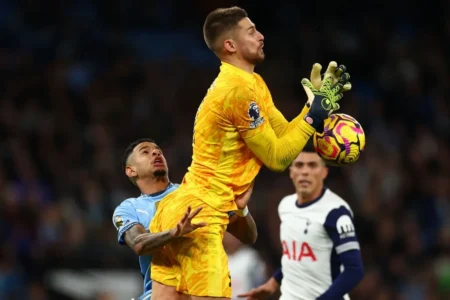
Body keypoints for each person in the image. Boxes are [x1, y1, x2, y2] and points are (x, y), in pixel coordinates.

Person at [150, 6, 352, 300]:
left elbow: (284, 137)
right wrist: (313, 118)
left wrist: (313, 109)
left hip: (182, 208)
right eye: (251, 31)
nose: (260, 36)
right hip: (200, 216)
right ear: (230, 45)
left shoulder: (252, 83)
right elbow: (277, 158)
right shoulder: (236, 91)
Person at [113, 138, 258, 300]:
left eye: (158, 151)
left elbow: (249, 237)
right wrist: (173, 233)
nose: (155, 153)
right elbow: (138, 243)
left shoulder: (197, 193)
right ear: (131, 171)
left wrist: (241, 209)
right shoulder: (129, 208)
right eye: (145, 152)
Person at [238, 141, 364, 300]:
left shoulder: (336, 212)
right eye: (299, 165)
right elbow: (295, 258)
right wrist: (272, 284)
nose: (305, 172)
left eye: (312, 165)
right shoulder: (286, 206)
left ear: (324, 172)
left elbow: (354, 270)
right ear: (291, 171)